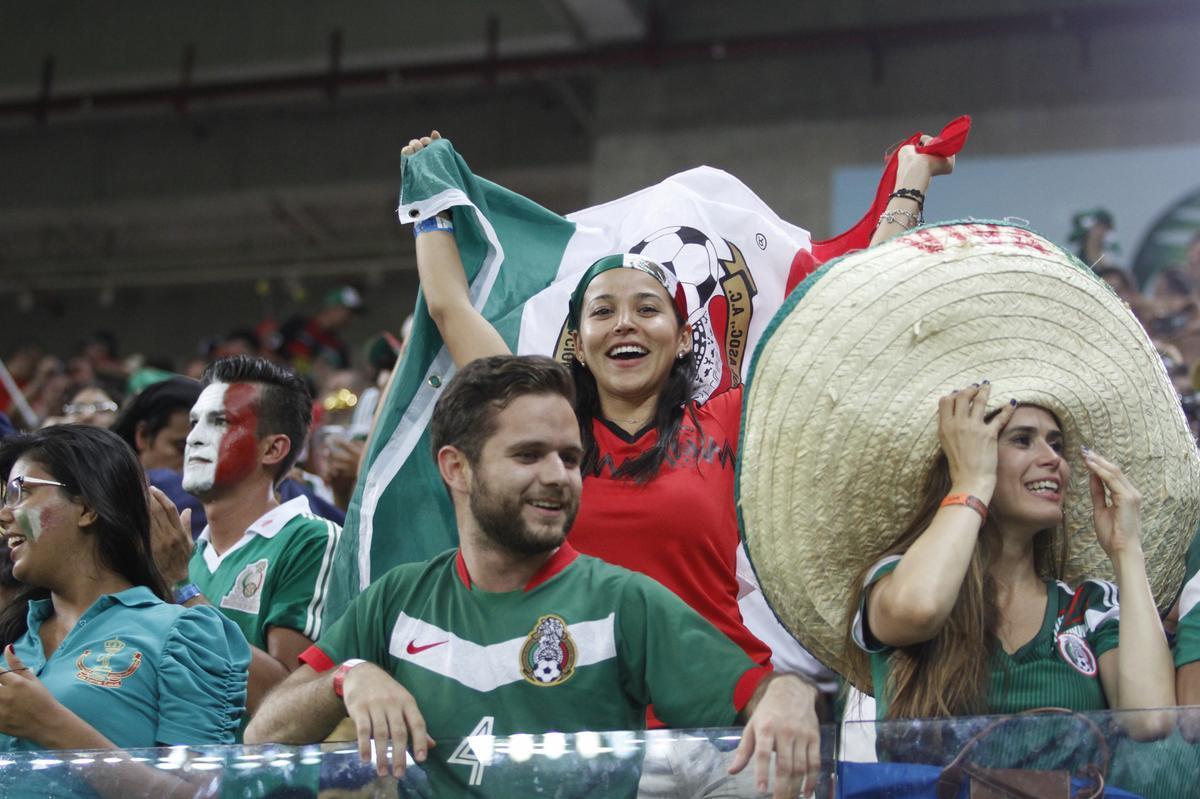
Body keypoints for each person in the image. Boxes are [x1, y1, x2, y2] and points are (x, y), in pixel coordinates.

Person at [399, 130, 952, 703]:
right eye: (603, 311)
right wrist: (430, 197)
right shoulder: (543, 429)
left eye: (647, 309)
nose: (624, 324)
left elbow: (853, 318)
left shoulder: (731, 417)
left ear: (685, 337)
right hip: (581, 725)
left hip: (720, 721)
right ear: (580, 341)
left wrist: (910, 183)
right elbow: (449, 306)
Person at [246, 355, 820, 799]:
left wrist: (789, 694)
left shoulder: (621, 600)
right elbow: (263, 733)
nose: (559, 477)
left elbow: (756, 695)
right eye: (528, 455)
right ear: (456, 468)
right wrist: (350, 675)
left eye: (570, 459)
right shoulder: (397, 599)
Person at [845, 384, 1175, 718]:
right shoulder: (898, 576)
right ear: (966, 455)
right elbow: (918, 609)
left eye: (1057, 445)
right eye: (1022, 439)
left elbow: (1152, 720)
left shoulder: (1088, 606)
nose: (1054, 460)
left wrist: (1126, 550)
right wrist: (971, 483)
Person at [0, 424, 249, 752]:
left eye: (22, 492)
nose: (4, 515)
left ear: (87, 508)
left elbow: (198, 790)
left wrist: (49, 725)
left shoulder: (183, 633)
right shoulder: (14, 641)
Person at [151, 355, 342, 722]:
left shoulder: (310, 538)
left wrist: (181, 589)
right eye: (194, 423)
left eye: (220, 421)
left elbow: (286, 704)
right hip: (182, 773)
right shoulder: (186, 554)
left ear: (273, 449)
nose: (194, 438)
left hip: (262, 778)